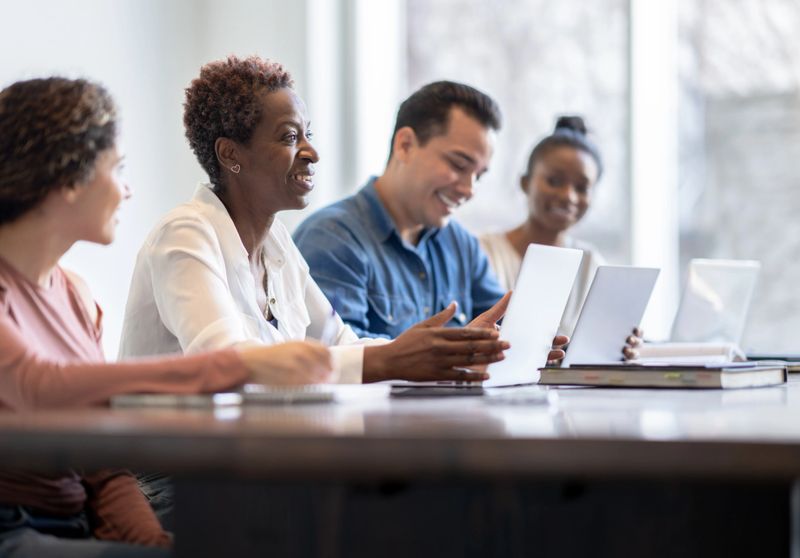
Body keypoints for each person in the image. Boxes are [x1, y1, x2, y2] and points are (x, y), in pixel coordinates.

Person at [0, 78, 333, 557]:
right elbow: (41, 387)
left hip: (72, 527)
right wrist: (241, 365)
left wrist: (157, 545)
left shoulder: (74, 294)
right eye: (118, 169)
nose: (128, 189)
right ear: (68, 179)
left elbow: (102, 465)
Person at [119, 57, 510, 384]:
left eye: (308, 134)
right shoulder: (185, 235)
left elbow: (338, 341)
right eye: (290, 137)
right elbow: (229, 367)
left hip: (249, 458)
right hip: (174, 472)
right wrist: (390, 359)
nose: (312, 152)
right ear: (230, 154)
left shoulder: (278, 247)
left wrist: (443, 353)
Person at [479, 116, 603, 336]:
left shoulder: (592, 265)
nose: (568, 196)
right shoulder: (483, 253)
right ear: (525, 183)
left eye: (582, 187)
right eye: (554, 181)